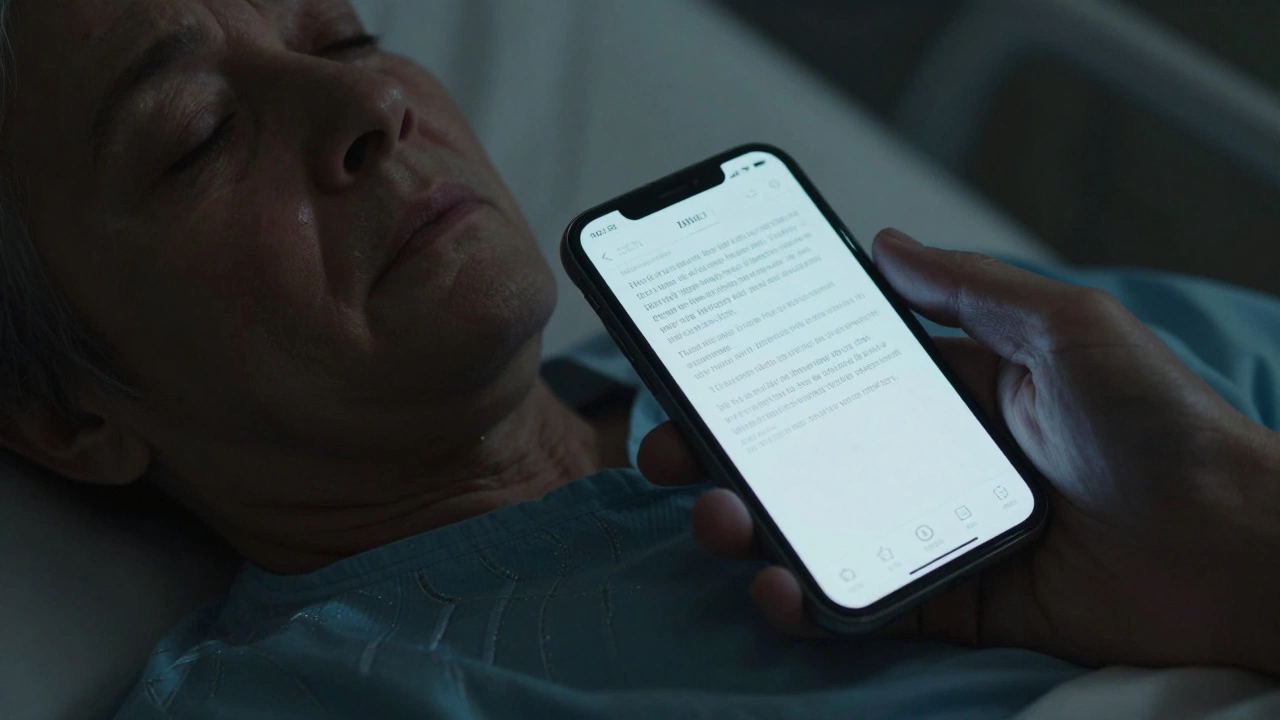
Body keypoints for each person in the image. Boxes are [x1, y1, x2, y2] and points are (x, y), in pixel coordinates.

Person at [0, 0, 1274, 718]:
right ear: (63, 417)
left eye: (341, 39)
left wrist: (1233, 546)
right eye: (199, 133)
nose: (368, 104)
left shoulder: (986, 353)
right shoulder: (302, 700)